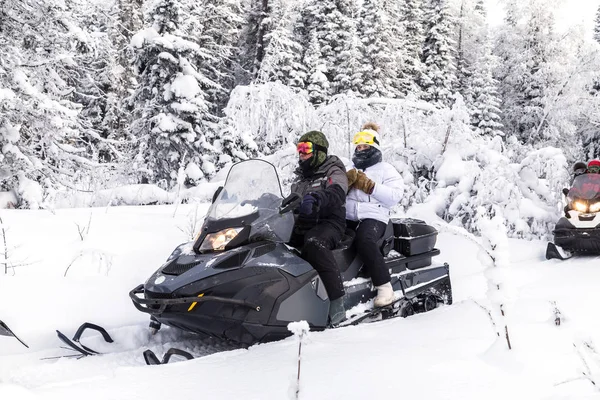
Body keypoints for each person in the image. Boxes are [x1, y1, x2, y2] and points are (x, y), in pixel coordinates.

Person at [289, 130, 349, 325]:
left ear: (319, 151)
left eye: (306, 149)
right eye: (299, 149)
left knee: (314, 243)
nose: (301, 154)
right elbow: (289, 202)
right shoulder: (301, 178)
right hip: (304, 222)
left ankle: (337, 303)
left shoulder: (333, 170)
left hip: (329, 222)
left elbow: (337, 192)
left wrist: (318, 197)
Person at [346, 122, 403, 308]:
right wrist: (345, 183)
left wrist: (371, 186)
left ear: (374, 147)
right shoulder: (350, 168)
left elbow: (395, 196)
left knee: (364, 239)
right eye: (359, 146)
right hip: (349, 216)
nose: (361, 150)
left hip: (374, 216)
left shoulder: (386, 169)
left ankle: (384, 286)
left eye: (365, 146)